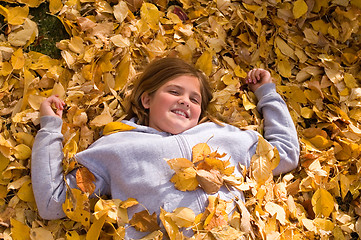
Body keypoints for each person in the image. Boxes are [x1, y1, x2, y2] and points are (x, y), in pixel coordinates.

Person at [31, 57, 299, 238]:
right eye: (174, 92)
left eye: (195, 99)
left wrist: (268, 94)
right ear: (147, 99)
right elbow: (54, 203)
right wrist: (50, 128)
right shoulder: (116, 147)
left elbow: (284, 153)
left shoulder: (223, 136)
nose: (185, 101)